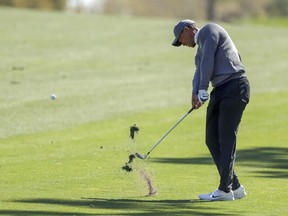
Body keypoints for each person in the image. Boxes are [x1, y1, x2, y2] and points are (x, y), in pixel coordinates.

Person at [172, 19, 250, 201]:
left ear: (187, 30)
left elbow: (209, 60)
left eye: (180, 39)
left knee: (226, 137)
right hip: (220, 90)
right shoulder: (199, 51)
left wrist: (202, 88)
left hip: (235, 86)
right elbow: (199, 70)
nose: (181, 43)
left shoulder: (209, 30)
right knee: (211, 138)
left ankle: (224, 190)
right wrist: (195, 92)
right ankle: (235, 186)